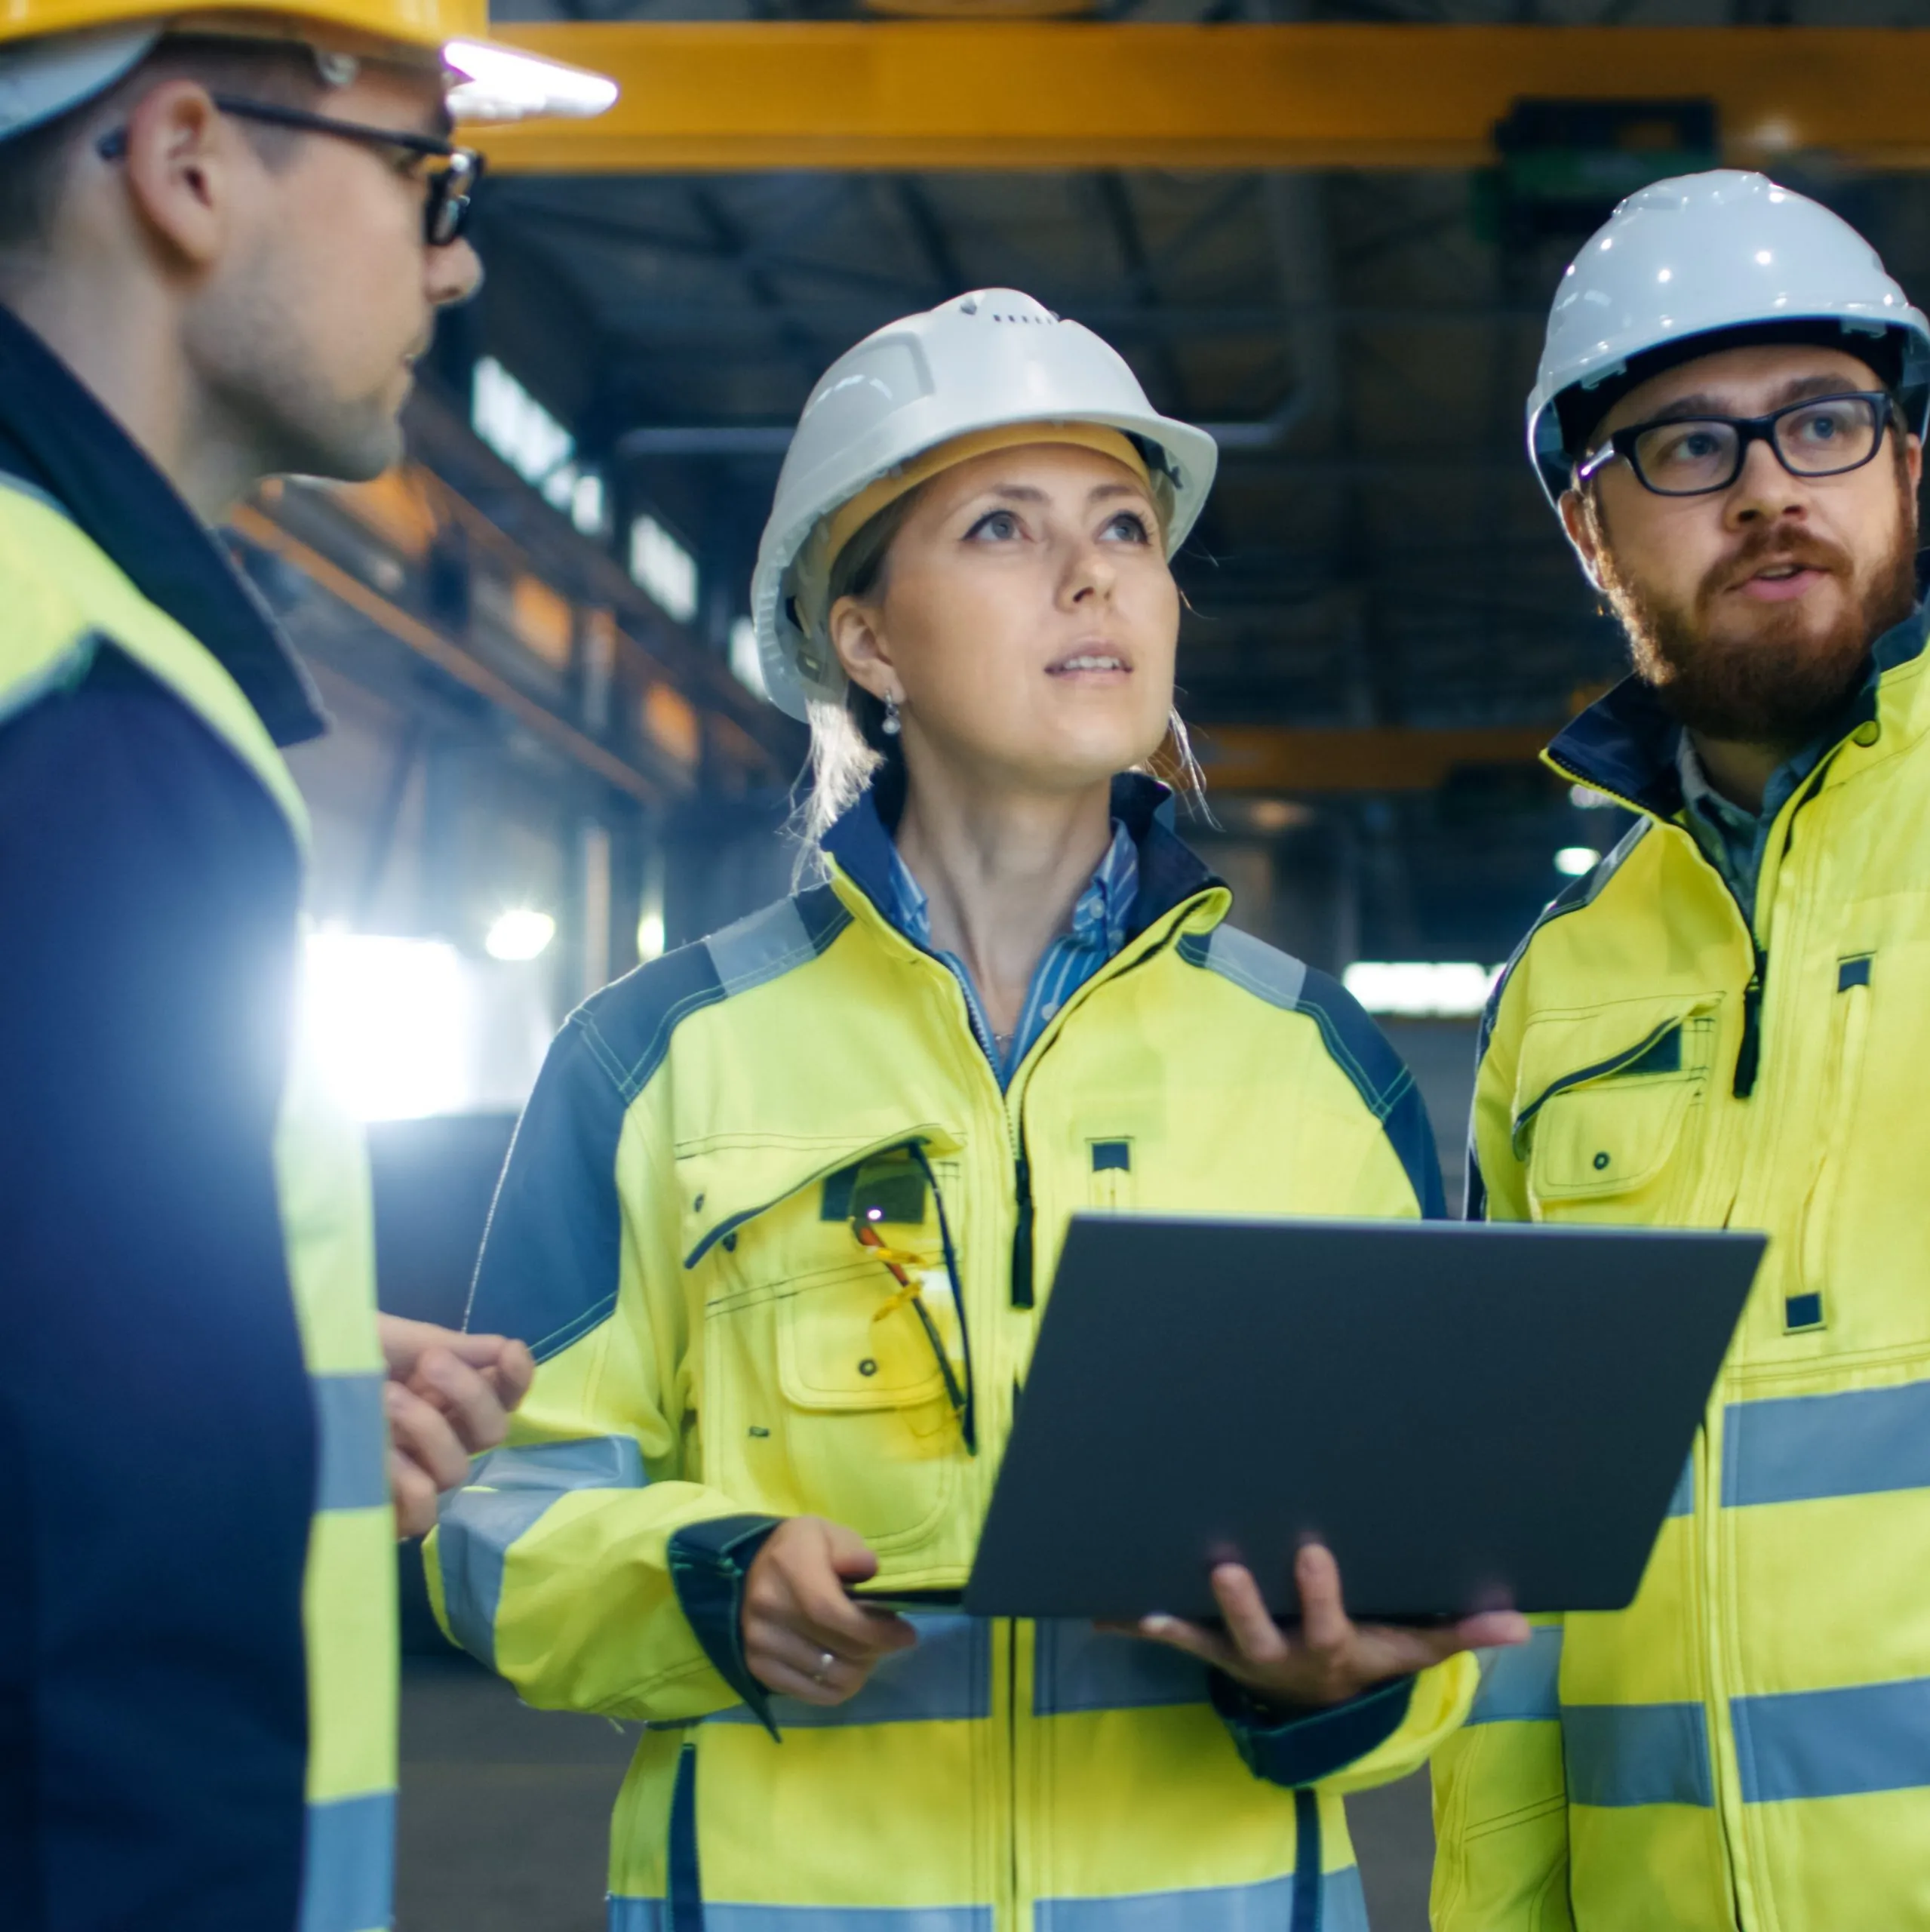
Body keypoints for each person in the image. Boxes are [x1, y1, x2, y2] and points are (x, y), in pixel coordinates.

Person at [430, 288, 1527, 1932]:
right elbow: (495, 1515)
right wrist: (708, 1579)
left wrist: (1336, 1674)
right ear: (866, 638)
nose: (1090, 575)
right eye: (1002, 527)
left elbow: (1429, 1573)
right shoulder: (656, 1056)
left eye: (1126, 528)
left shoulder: (1315, 1064)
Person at [0, 8, 613, 1928]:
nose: (456, 256)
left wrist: (237, 1391)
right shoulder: (77, 704)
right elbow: (104, 1644)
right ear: (187, 164)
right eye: (428, 178)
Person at [1431, 171, 1930, 1932]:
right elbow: (1508, 1585)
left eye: (1821, 422)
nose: (1771, 489)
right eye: (1686, 449)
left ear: (1906, 467)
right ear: (1590, 530)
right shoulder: (1561, 996)